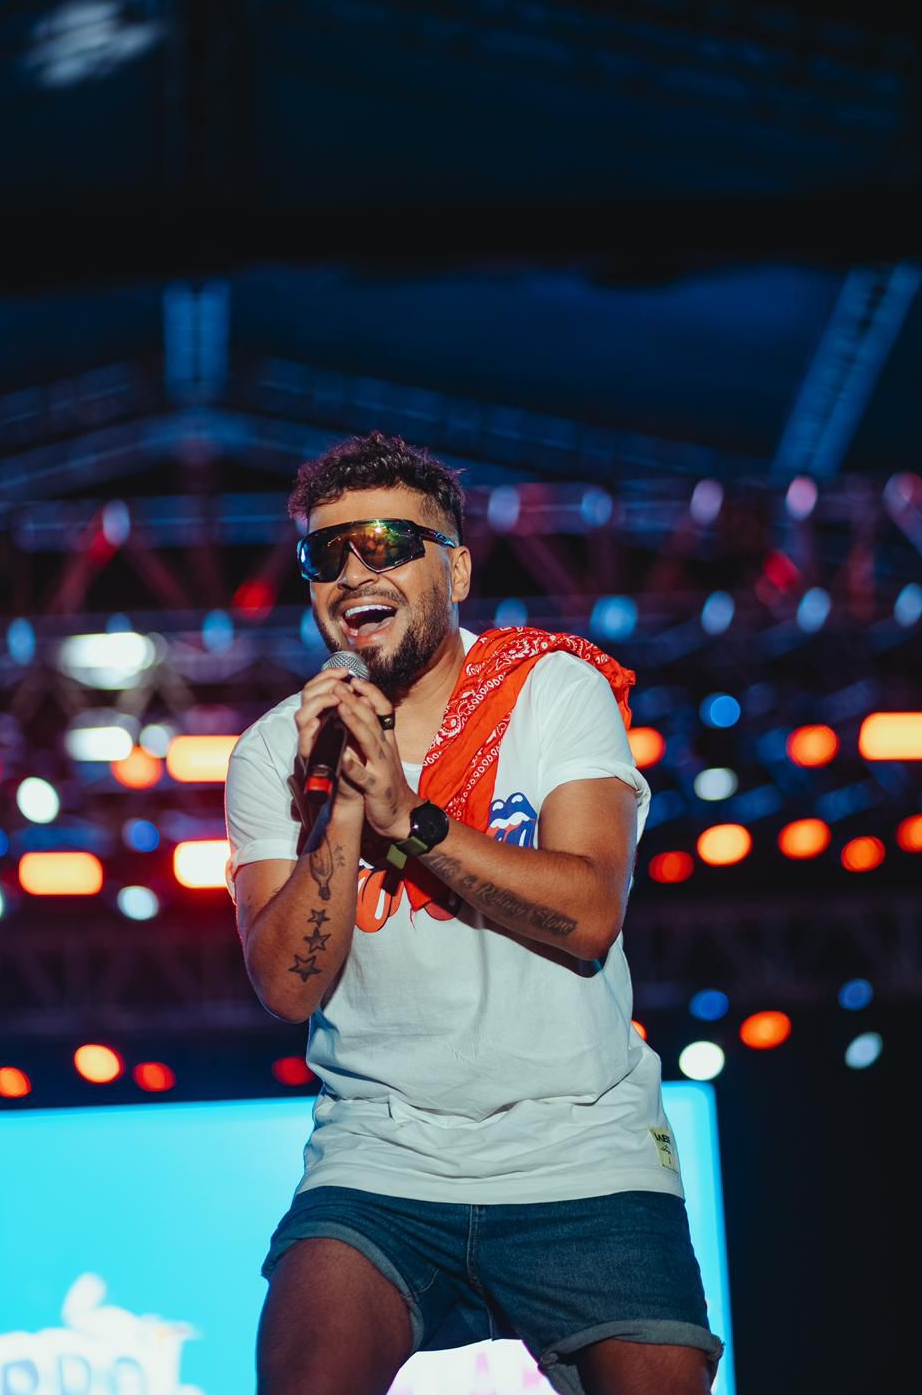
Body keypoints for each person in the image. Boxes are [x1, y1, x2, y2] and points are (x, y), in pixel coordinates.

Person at [225, 431, 724, 1395]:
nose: (354, 571)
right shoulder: (273, 752)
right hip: (381, 1159)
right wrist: (340, 801)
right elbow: (286, 989)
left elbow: (590, 911)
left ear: (454, 568)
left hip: (583, 1151)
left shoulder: (552, 691)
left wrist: (408, 817)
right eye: (326, 554)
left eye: (385, 543)